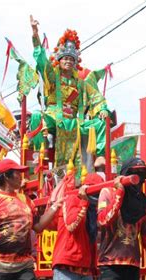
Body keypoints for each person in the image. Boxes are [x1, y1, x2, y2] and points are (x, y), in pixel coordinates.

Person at [29, 15, 111, 171]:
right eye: (65, 58)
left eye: (71, 59)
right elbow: (42, 60)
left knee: (101, 122)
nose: (68, 61)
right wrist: (35, 34)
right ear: (59, 61)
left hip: (75, 122)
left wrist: (102, 110)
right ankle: (39, 153)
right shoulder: (53, 77)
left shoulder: (81, 83)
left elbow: (96, 97)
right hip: (54, 117)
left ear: (75, 63)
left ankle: (100, 156)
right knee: (36, 116)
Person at [51, 172, 103, 280]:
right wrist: (84, 201)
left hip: (86, 267)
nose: (97, 196)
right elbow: (72, 225)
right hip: (66, 265)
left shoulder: (96, 209)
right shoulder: (72, 198)